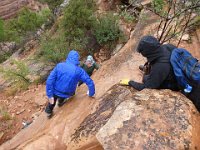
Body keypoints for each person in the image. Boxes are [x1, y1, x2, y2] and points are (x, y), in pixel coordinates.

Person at [45, 50, 95, 118]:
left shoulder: (59, 66)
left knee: (52, 100)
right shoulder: (79, 70)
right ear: (77, 59)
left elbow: (49, 81)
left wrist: (50, 95)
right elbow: (89, 82)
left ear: (68, 57)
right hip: (68, 93)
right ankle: (60, 101)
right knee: (65, 92)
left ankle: (49, 111)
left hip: (56, 91)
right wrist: (91, 93)